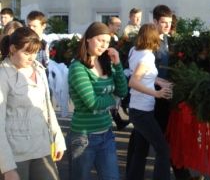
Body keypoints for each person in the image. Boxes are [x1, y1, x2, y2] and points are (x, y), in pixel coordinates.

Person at [0, 27, 66, 180]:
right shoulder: (3, 75)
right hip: (15, 154)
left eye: (35, 52)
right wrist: (7, 167)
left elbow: (47, 107)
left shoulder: (39, 69)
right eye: (26, 52)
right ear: (12, 49)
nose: (32, 57)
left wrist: (58, 137)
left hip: (42, 148)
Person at [67, 22, 128, 180]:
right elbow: (93, 102)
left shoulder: (106, 62)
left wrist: (118, 64)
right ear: (88, 39)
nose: (104, 45)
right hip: (83, 137)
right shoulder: (78, 68)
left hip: (106, 134)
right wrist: (113, 99)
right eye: (100, 40)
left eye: (107, 42)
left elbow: (122, 91)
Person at [127, 24, 173, 179]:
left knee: (141, 150)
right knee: (162, 149)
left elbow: (145, 76)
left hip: (137, 109)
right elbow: (133, 82)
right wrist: (157, 93)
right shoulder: (147, 56)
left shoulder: (134, 51)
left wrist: (161, 82)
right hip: (142, 111)